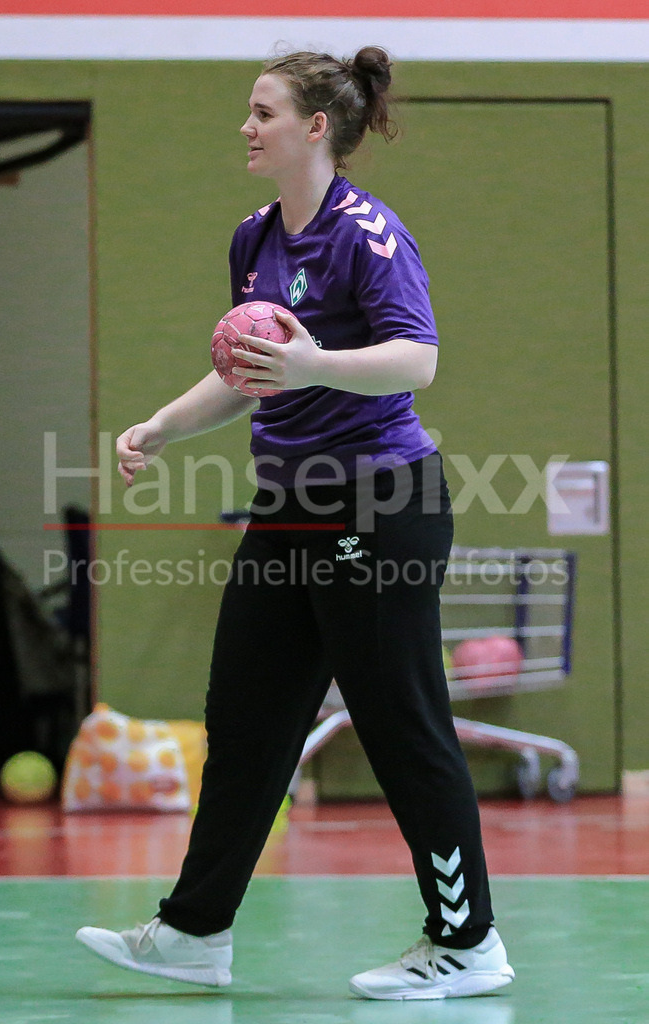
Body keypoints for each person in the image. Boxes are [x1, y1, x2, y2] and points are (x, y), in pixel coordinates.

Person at [76, 46, 515, 1001]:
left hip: (380, 504)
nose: (246, 125)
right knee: (246, 718)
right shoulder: (253, 238)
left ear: (315, 128)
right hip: (289, 507)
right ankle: (194, 932)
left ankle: (467, 939)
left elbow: (415, 362)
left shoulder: (369, 235)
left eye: (262, 111)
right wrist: (163, 425)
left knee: (400, 722)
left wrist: (317, 365)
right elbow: (250, 370)